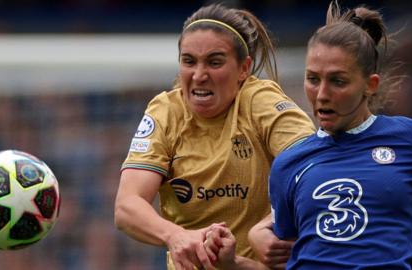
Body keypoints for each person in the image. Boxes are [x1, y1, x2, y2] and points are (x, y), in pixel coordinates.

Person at [114, 3, 315, 270]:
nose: (199, 75)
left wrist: (268, 226)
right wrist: (176, 236)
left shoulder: (260, 101)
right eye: (189, 61)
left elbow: (315, 170)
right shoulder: (166, 112)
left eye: (214, 62)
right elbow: (127, 206)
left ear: (244, 69)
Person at [260, 1, 412, 269]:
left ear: (370, 85)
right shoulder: (288, 164)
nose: (322, 94)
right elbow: (285, 256)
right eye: (313, 79)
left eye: (338, 81)